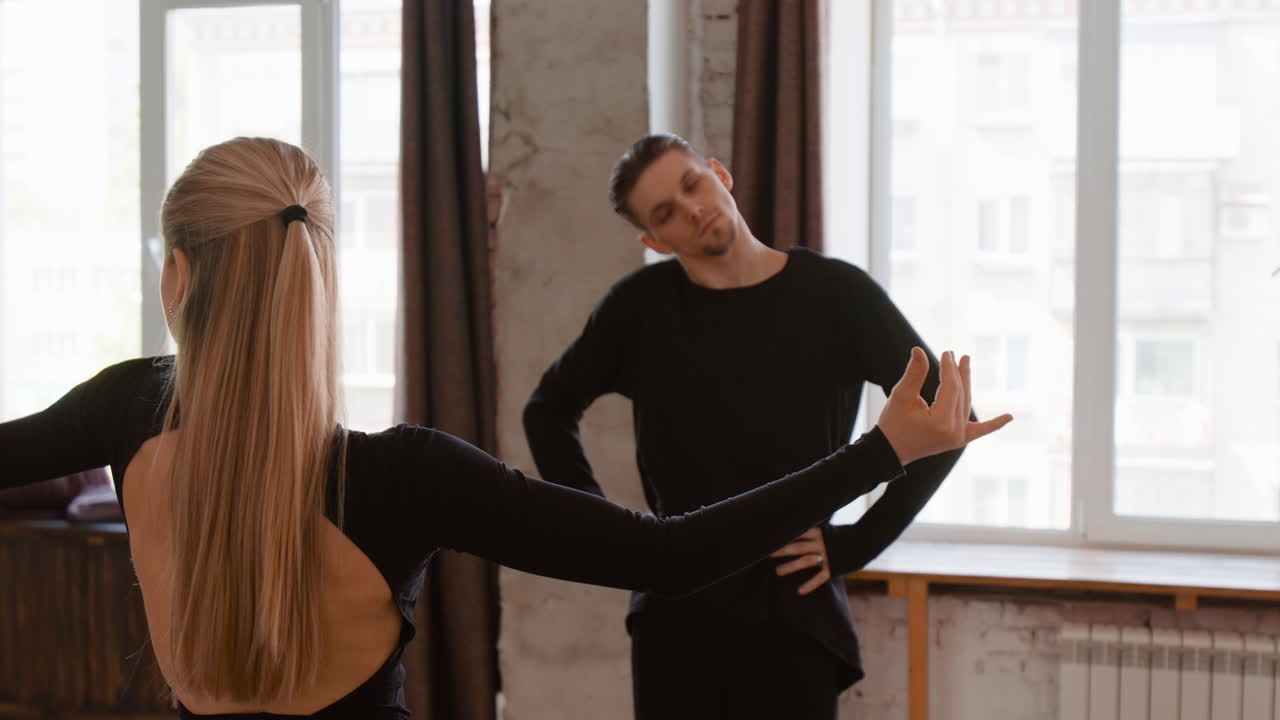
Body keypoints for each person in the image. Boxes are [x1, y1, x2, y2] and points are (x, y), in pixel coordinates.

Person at [1, 137, 1009, 719]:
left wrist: (855, 520)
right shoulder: (406, 477)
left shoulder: (126, 410)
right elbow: (664, 554)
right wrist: (880, 454)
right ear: (317, 283)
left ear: (177, 277)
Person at [522, 133, 1002, 719]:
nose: (692, 209)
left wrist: (857, 543)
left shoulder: (836, 294)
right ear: (655, 240)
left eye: (693, 184)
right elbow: (547, 411)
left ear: (719, 174)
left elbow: (951, 421)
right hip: (676, 613)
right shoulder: (638, 308)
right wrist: (606, 537)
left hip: (792, 609)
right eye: (666, 213)